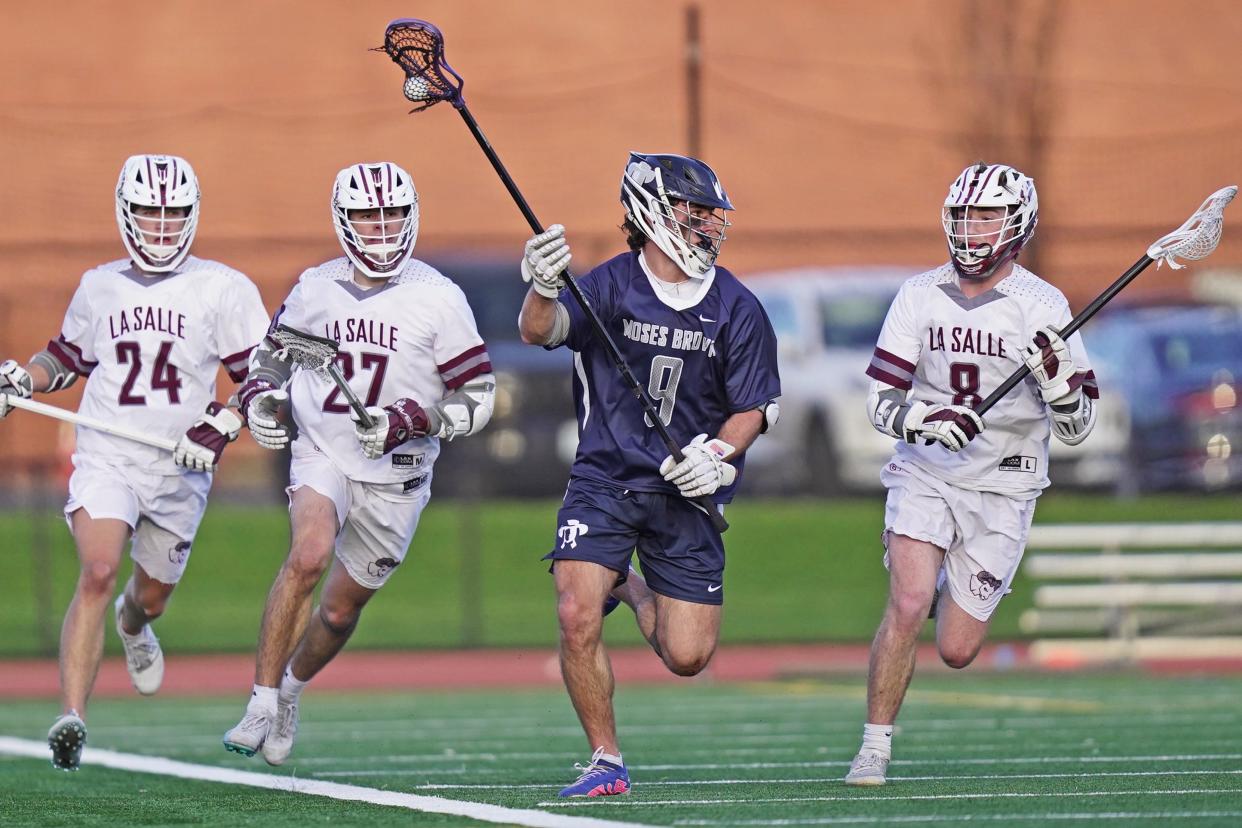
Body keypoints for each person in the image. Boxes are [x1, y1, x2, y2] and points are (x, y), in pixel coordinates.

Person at [517, 152, 781, 797]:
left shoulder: (737, 306)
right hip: (605, 480)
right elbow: (538, 330)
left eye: (710, 215)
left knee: (686, 657)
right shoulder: (607, 285)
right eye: (693, 212)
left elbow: (756, 406)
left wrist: (715, 456)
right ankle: (606, 760)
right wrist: (544, 285)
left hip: (685, 490)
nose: (706, 226)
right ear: (651, 211)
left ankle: (629, 588)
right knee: (577, 613)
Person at [0, 154, 270, 771]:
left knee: (148, 596)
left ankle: (134, 625)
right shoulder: (100, 285)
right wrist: (23, 377)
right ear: (126, 213)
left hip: (180, 468)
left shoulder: (222, 288)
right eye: (150, 210)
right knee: (96, 571)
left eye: (174, 212)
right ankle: (71, 717)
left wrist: (223, 424)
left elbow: (261, 379)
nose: (162, 224)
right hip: (109, 455)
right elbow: (65, 358)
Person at [221, 161, 495, 766]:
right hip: (324, 448)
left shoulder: (439, 298)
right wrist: (260, 398)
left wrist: (409, 420)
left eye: (392, 214)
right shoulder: (317, 287)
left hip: (398, 476)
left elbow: (479, 398)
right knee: (309, 554)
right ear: (344, 222)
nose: (381, 229)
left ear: (411, 216)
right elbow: (270, 359)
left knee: (342, 610)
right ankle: (261, 700)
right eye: (369, 217)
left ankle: (290, 689)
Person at [845, 162, 1099, 786]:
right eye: (963, 215)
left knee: (957, 649)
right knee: (906, 603)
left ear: (1016, 225)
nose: (971, 228)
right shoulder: (919, 294)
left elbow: (1077, 427)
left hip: (1006, 481)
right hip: (927, 470)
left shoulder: (1043, 305)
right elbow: (879, 400)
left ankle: (941, 585)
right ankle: (874, 746)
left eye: (985, 216)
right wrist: (924, 421)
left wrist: (1059, 386)